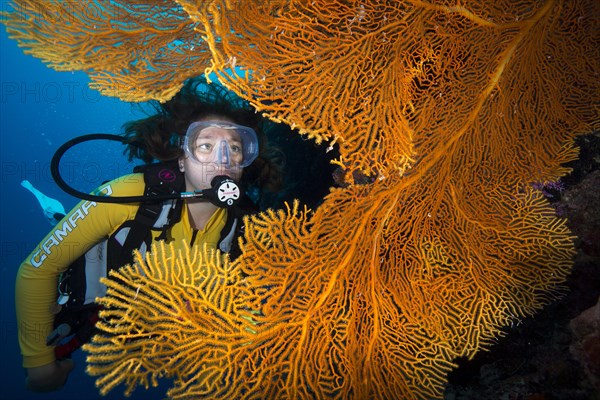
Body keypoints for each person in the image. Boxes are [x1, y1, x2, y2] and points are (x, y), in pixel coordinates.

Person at [15, 78, 282, 392]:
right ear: (182, 161)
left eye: (235, 148)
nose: (222, 157)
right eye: (206, 145)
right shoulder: (128, 195)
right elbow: (36, 270)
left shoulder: (246, 227)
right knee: (61, 221)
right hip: (96, 312)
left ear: (243, 162)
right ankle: (52, 209)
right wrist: (40, 366)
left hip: (158, 331)